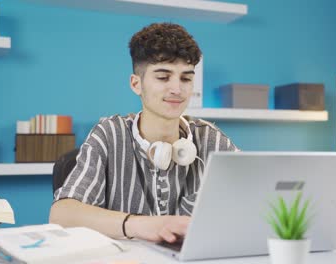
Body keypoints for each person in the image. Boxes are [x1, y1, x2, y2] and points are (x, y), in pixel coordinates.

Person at [49, 22, 238, 243]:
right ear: (136, 84)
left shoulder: (210, 139)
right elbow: (61, 214)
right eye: (163, 77)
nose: (177, 89)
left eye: (186, 78)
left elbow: (257, 196)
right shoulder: (109, 134)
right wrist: (139, 224)